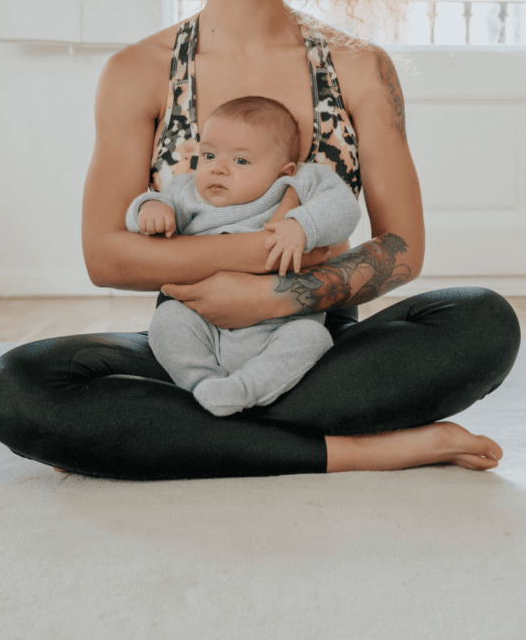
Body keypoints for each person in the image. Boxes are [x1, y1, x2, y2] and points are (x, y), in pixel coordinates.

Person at [0, 0, 521, 480]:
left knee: (481, 319)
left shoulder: (359, 67)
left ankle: (194, 437)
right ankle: (352, 450)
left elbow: (402, 249)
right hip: (192, 344)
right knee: (17, 387)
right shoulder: (137, 71)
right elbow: (108, 256)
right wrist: (252, 269)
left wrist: (276, 298)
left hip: (315, 346)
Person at [128, 95, 360, 417]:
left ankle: (245, 389)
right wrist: (151, 207)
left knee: (312, 337)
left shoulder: (299, 182)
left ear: (284, 170)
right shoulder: (187, 193)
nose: (218, 169)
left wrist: (301, 225)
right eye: (208, 155)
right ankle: (204, 384)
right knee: (167, 322)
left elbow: (344, 206)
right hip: (203, 323)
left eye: (240, 161)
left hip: (279, 326)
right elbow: (147, 210)